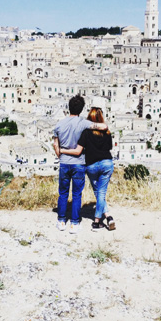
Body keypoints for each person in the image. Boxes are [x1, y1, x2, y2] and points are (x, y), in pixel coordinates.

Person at [52, 95, 107, 234]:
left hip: (64, 163)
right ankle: (75, 223)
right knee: (77, 194)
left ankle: (61, 220)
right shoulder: (82, 123)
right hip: (79, 164)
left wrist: (61, 155)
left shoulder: (59, 124)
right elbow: (103, 126)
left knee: (63, 193)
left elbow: (55, 144)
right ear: (81, 109)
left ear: (68, 107)